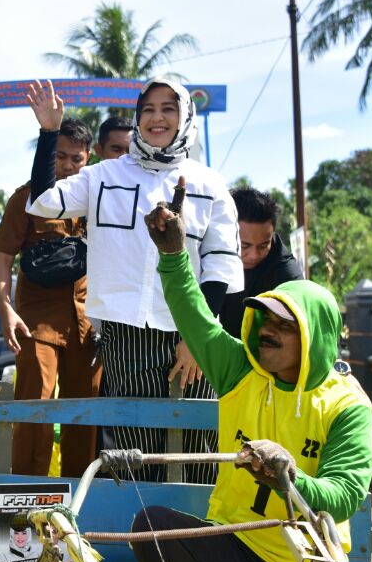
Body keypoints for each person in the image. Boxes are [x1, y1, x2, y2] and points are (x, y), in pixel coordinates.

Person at [129, 181, 372, 562]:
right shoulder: (241, 367)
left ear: (314, 337)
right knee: (153, 527)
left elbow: (342, 498)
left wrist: (288, 476)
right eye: (264, 319)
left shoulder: (347, 404)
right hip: (232, 543)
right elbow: (193, 314)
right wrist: (174, 252)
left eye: (285, 326)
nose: (266, 332)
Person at [25, 79, 242, 481]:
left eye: (168, 108)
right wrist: (48, 132)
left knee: (198, 450)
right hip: (125, 336)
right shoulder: (104, 175)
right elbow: (41, 203)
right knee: (135, 452)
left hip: (192, 336)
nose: (157, 117)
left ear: (185, 117)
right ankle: (142, 540)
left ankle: (194, 539)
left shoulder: (209, 185)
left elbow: (220, 267)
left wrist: (198, 337)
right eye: (148, 109)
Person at [0, 118, 100, 477]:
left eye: (77, 159)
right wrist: (6, 310)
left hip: (88, 325)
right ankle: (26, 500)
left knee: (85, 415)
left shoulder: (98, 201)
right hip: (36, 324)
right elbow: (3, 260)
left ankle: (80, 500)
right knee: (35, 409)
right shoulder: (26, 199)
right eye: (61, 157)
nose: (69, 166)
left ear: (89, 159)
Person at [219, 187, 305, 337]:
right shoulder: (207, 251)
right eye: (244, 246)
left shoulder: (285, 273)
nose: (253, 255)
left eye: (263, 246)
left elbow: (306, 321)